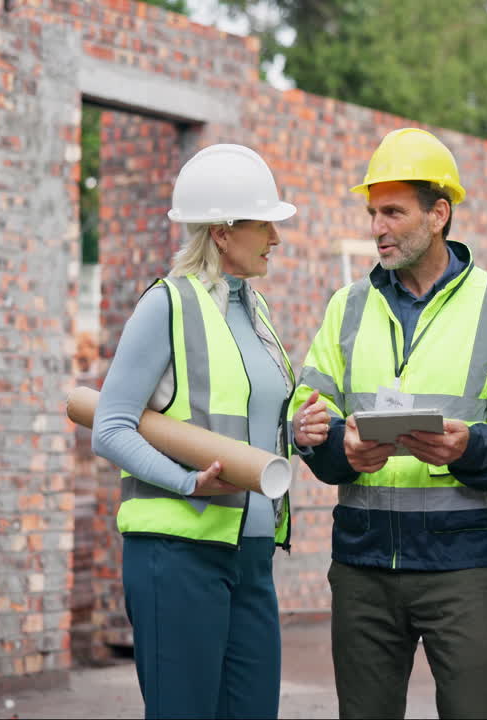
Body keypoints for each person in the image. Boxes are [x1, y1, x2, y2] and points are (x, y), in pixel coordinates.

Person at [288, 127, 487, 719]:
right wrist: (336, 448)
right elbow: (309, 412)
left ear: (439, 214)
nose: (377, 226)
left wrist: (467, 446)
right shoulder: (347, 307)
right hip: (362, 566)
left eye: (393, 212)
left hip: (460, 567)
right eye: (373, 212)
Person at [92, 144, 311, 720]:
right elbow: (110, 427)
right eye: (263, 223)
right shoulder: (166, 305)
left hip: (253, 555)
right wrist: (187, 483)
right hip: (178, 555)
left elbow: (259, 420)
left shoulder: (255, 311)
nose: (275, 237)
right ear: (221, 231)